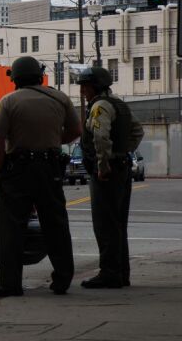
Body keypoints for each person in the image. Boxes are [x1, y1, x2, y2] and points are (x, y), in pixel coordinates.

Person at [0, 56, 82, 297]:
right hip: (50, 168)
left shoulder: (9, 101)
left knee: (12, 227)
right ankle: (62, 279)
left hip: (18, 169)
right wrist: (51, 142)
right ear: (39, 76)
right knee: (56, 224)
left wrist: (0, 168)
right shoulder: (60, 98)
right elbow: (75, 131)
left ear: (15, 79)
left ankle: (10, 283)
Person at [77, 66, 143, 289]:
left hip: (107, 173)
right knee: (118, 223)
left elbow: (100, 136)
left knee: (105, 224)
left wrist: (104, 164)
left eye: (85, 86)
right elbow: (137, 131)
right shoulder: (120, 104)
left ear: (94, 86)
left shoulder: (99, 107)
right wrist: (123, 152)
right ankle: (121, 272)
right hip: (122, 168)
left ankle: (109, 273)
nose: (82, 91)